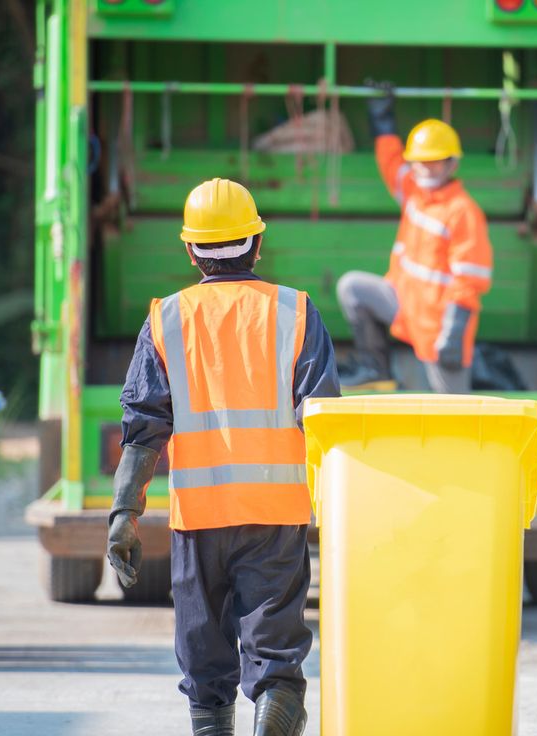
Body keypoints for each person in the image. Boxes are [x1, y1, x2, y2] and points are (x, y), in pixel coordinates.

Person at [106, 177, 340, 736]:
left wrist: (123, 514)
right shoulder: (297, 312)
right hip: (276, 518)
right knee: (276, 662)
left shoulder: (166, 319)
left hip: (199, 521)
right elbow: (327, 421)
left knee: (205, 664)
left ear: (190, 250)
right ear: (257, 244)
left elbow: (144, 427)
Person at [337, 82, 494, 393]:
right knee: (352, 287)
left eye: (435, 160)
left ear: (452, 163)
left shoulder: (462, 211)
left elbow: (471, 279)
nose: (426, 167)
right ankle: (375, 368)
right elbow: (391, 163)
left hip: (438, 326)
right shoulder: (414, 192)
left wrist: (454, 331)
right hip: (404, 302)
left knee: (453, 414)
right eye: (421, 160)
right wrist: (383, 123)